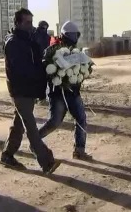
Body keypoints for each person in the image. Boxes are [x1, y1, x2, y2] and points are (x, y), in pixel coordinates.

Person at [0, 8, 60, 174]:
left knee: (18, 124)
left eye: (31, 22)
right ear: (17, 23)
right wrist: (41, 72)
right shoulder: (13, 43)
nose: (30, 26)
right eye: (27, 22)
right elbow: (22, 69)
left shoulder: (28, 40)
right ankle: (46, 162)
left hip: (28, 90)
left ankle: (7, 155)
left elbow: (37, 59)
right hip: (20, 91)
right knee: (31, 128)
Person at [38, 21, 92, 160]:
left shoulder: (76, 51)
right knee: (55, 122)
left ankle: (79, 150)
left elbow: (82, 68)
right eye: (72, 35)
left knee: (81, 119)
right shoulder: (52, 50)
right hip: (57, 94)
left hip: (73, 92)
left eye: (76, 35)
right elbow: (46, 69)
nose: (74, 37)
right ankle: (35, 140)